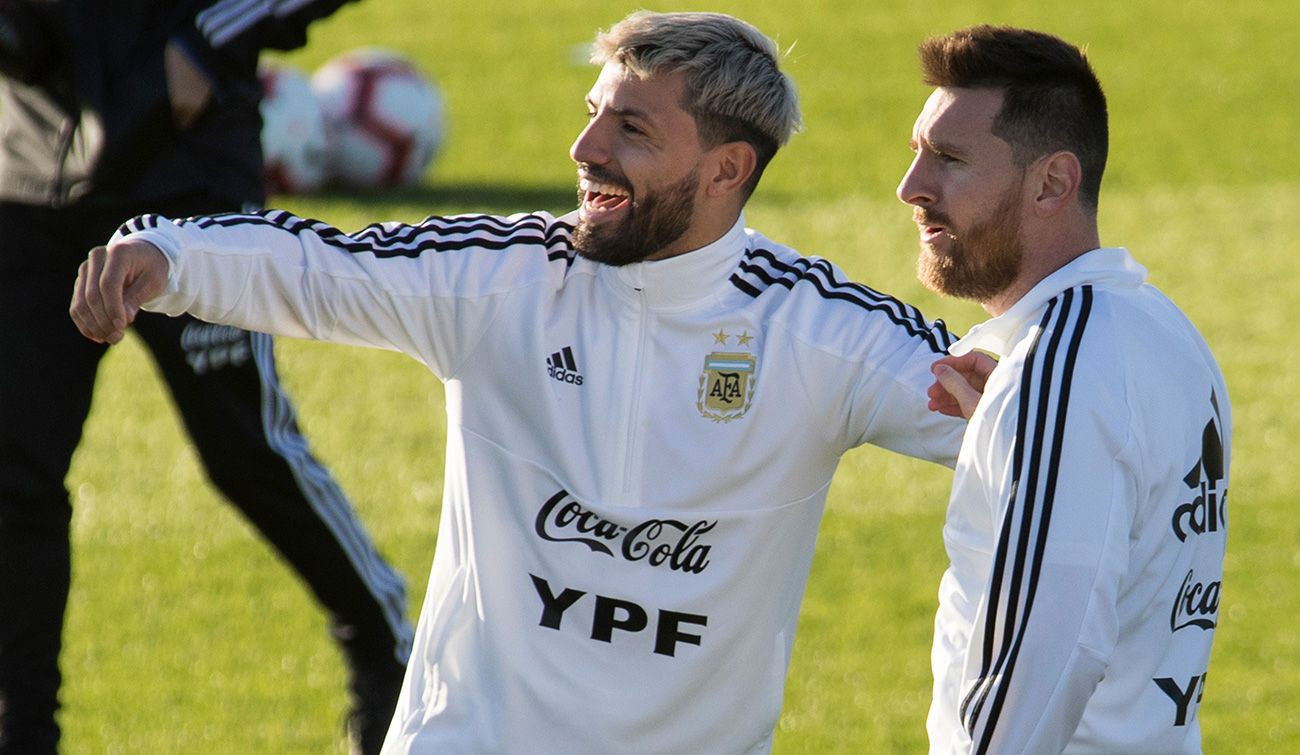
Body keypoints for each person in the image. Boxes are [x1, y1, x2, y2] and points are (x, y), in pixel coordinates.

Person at [71, 10, 969, 752]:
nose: (584, 148)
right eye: (591, 112)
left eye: (631, 129)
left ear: (727, 168)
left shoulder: (819, 329)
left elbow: (1005, 416)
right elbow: (321, 265)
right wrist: (169, 253)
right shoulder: (507, 275)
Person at [0, 2, 413, 753]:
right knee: (12, 473)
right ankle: (22, 732)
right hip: (25, 173)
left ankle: (383, 640)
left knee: (245, 449)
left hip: (182, 173)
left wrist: (211, 37)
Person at [898, 25, 1231, 753]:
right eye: (918, 151)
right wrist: (1018, 433)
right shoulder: (1161, 331)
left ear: (1053, 182)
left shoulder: (1066, 361)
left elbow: (1046, 650)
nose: (911, 188)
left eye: (949, 160)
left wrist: (1042, 407)